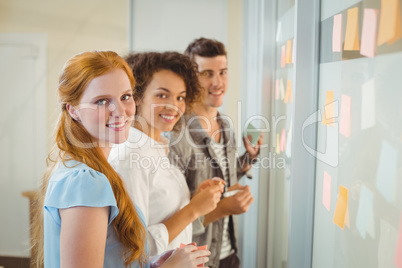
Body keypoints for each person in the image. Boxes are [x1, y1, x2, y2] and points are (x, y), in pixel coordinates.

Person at [31, 50, 210, 268]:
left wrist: (152, 264)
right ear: (74, 111)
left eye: (125, 97)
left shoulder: (88, 170)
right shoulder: (86, 181)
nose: (120, 111)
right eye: (102, 101)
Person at [109, 51, 224, 258]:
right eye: (162, 95)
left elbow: (159, 211)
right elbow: (135, 245)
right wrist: (193, 210)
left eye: (180, 97)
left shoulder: (157, 148)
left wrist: (193, 199)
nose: (174, 105)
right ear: (137, 97)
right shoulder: (131, 156)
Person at [168, 38, 263, 268]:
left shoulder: (226, 126)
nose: (218, 82)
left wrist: (247, 159)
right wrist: (224, 209)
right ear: (191, 79)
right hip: (196, 259)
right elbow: (171, 221)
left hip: (229, 255)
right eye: (207, 74)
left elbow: (220, 179)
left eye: (222, 72)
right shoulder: (176, 135)